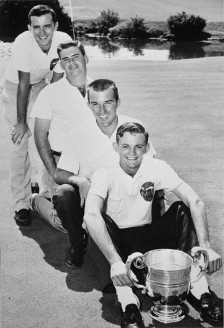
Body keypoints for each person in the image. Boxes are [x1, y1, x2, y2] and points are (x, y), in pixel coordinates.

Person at [84, 122, 222, 328]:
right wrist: (114, 261)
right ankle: (128, 302)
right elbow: (91, 214)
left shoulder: (157, 167)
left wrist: (206, 248)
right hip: (117, 244)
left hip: (148, 241)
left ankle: (199, 288)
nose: (132, 153)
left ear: (147, 148)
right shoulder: (104, 172)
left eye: (138, 147)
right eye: (125, 146)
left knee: (180, 209)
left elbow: (195, 201)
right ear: (116, 147)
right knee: (97, 222)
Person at [32, 79, 162, 276]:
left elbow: (152, 167)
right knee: (63, 196)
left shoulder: (135, 126)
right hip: (90, 205)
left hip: (125, 203)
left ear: (118, 102)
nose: (102, 111)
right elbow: (59, 173)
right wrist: (81, 181)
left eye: (108, 102)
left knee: (156, 194)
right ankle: (75, 241)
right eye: (95, 104)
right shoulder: (79, 131)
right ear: (88, 105)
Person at [1, 5, 71, 226]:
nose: (42, 33)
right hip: (15, 89)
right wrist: (22, 123)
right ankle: (21, 203)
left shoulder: (63, 41)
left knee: (52, 136)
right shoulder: (23, 41)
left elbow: (57, 85)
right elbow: (23, 84)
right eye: (37, 27)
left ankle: (46, 190)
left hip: (42, 85)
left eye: (47, 26)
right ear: (30, 28)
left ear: (56, 26)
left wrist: (54, 120)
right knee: (19, 142)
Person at [30, 40, 92, 201]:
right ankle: (36, 199)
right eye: (65, 60)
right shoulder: (50, 92)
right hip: (61, 163)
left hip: (89, 161)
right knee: (66, 219)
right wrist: (54, 173)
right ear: (62, 66)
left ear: (86, 59)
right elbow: (40, 135)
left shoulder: (97, 88)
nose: (71, 63)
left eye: (75, 57)